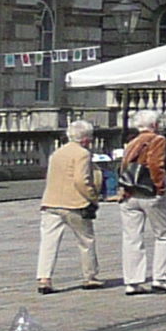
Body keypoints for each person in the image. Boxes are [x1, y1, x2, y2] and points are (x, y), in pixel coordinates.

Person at [34, 120, 104, 293]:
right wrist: (92, 197)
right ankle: (90, 276)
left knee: (48, 242)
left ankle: (44, 278)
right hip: (74, 203)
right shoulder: (82, 154)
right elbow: (81, 180)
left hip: (51, 202)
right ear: (87, 139)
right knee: (86, 240)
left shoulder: (57, 153)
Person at [113, 109, 166, 295]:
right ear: (155, 125)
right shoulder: (157, 140)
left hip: (130, 193)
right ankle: (160, 277)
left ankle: (132, 281)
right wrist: (160, 187)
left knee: (132, 238)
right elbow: (156, 164)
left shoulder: (132, 142)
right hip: (149, 192)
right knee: (164, 234)